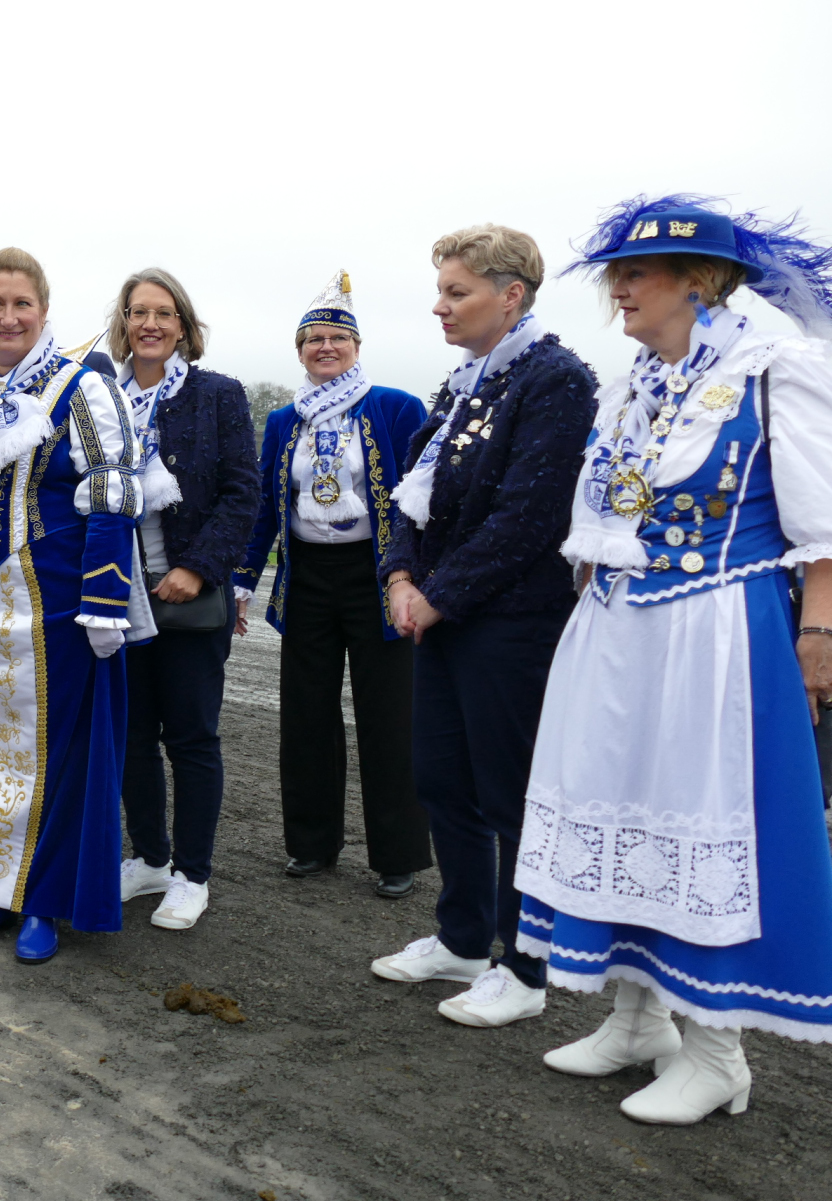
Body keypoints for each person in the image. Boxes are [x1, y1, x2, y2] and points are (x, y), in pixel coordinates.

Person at [513, 198, 832, 1123]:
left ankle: (717, 1053)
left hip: (717, 631)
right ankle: (636, 1019)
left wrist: (819, 631)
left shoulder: (773, 371)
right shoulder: (632, 387)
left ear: (699, 281)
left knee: (698, 814)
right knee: (619, 807)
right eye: (616, 274)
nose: (618, 290)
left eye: (635, 274)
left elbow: (822, 525)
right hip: (619, 632)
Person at [373, 226, 597, 1027]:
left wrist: (438, 595)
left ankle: (525, 966)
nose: (440, 307)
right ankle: (463, 939)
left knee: (512, 796)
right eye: (440, 290)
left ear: (511, 295)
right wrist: (400, 576)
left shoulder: (556, 379)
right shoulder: (464, 381)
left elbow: (528, 515)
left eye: (456, 291)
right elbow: (412, 491)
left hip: (512, 622)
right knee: (443, 781)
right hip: (443, 614)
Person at [0, 247, 141, 965]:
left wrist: (105, 598)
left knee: (53, 756)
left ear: (43, 310)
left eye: (21, 305)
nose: (8, 318)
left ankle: (41, 901)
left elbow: (112, 493)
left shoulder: (82, 388)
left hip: (55, 607)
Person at [233, 272, 432, 899]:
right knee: (306, 716)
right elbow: (266, 508)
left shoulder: (396, 407)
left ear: (356, 346)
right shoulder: (282, 420)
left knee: (389, 717)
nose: (326, 347)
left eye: (337, 338)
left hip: (379, 576)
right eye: (313, 339)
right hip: (308, 578)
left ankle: (397, 854)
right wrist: (243, 580)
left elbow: (422, 500)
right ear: (299, 352)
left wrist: (416, 577)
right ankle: (312, 844)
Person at [110, 268, 258, 931]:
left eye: (163, 314)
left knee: (192, 738)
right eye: (138, 312)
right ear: (124, 323)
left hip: (187, 594)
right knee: (132, 737)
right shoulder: (100, 396)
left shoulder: (217, 395)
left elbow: (242, 493)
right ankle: (150, 858)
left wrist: (197, 568)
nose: (150, 324)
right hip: (117, 595)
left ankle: (192, 875)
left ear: (183, 327)